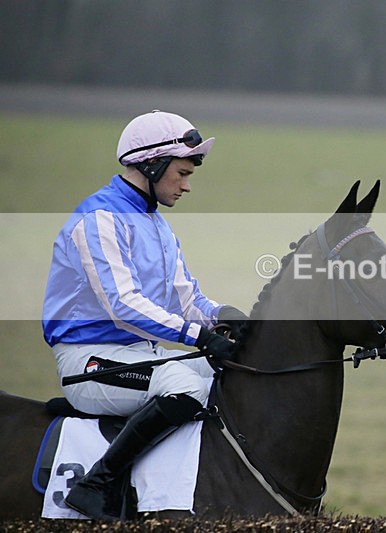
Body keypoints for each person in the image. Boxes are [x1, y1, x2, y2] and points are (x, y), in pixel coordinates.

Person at [41, 110, 248, 520]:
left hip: (137, 355)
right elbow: (124, 306)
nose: (187, 185)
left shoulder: (158, 226)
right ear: (152, 164)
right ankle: (96, 483)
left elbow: (188, 300)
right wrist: (199, 337)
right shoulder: (100, 218)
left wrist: (226, 317)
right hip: (88, 361)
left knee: (230, 380)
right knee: (187, 387)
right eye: (181, 174)